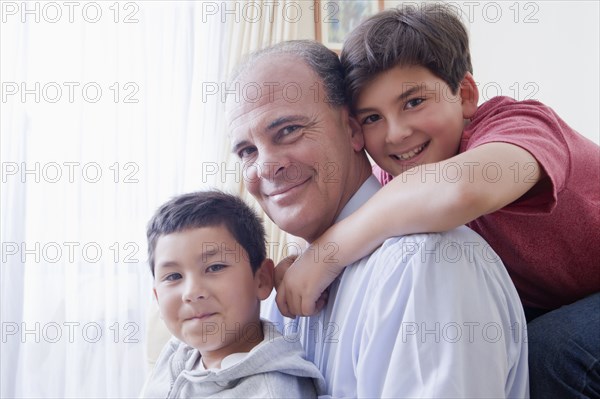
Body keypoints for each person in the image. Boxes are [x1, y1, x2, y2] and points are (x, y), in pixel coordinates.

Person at [276, 4, 600, 398]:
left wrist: (325, 254)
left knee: (552, 353)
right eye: (372, 118)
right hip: (556, 297)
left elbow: (459, 190)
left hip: (581, 301)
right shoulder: (398, 181)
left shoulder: (519, 125)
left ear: (464, 94)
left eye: (413, 102)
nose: (396, 134)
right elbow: (369, 224)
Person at [226, 39, 529, 398]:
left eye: (289, 130)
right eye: (247, 151)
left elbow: (464, 186)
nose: (266, 166)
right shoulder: (280, 291)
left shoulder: (422, 265)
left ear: (353, 131)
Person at [142, 190, 324, 398]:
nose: (191, 293)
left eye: (215, 267)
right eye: (173, 276)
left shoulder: (271, 392)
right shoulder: (177, 351)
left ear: (262, 279)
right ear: (157, 297)